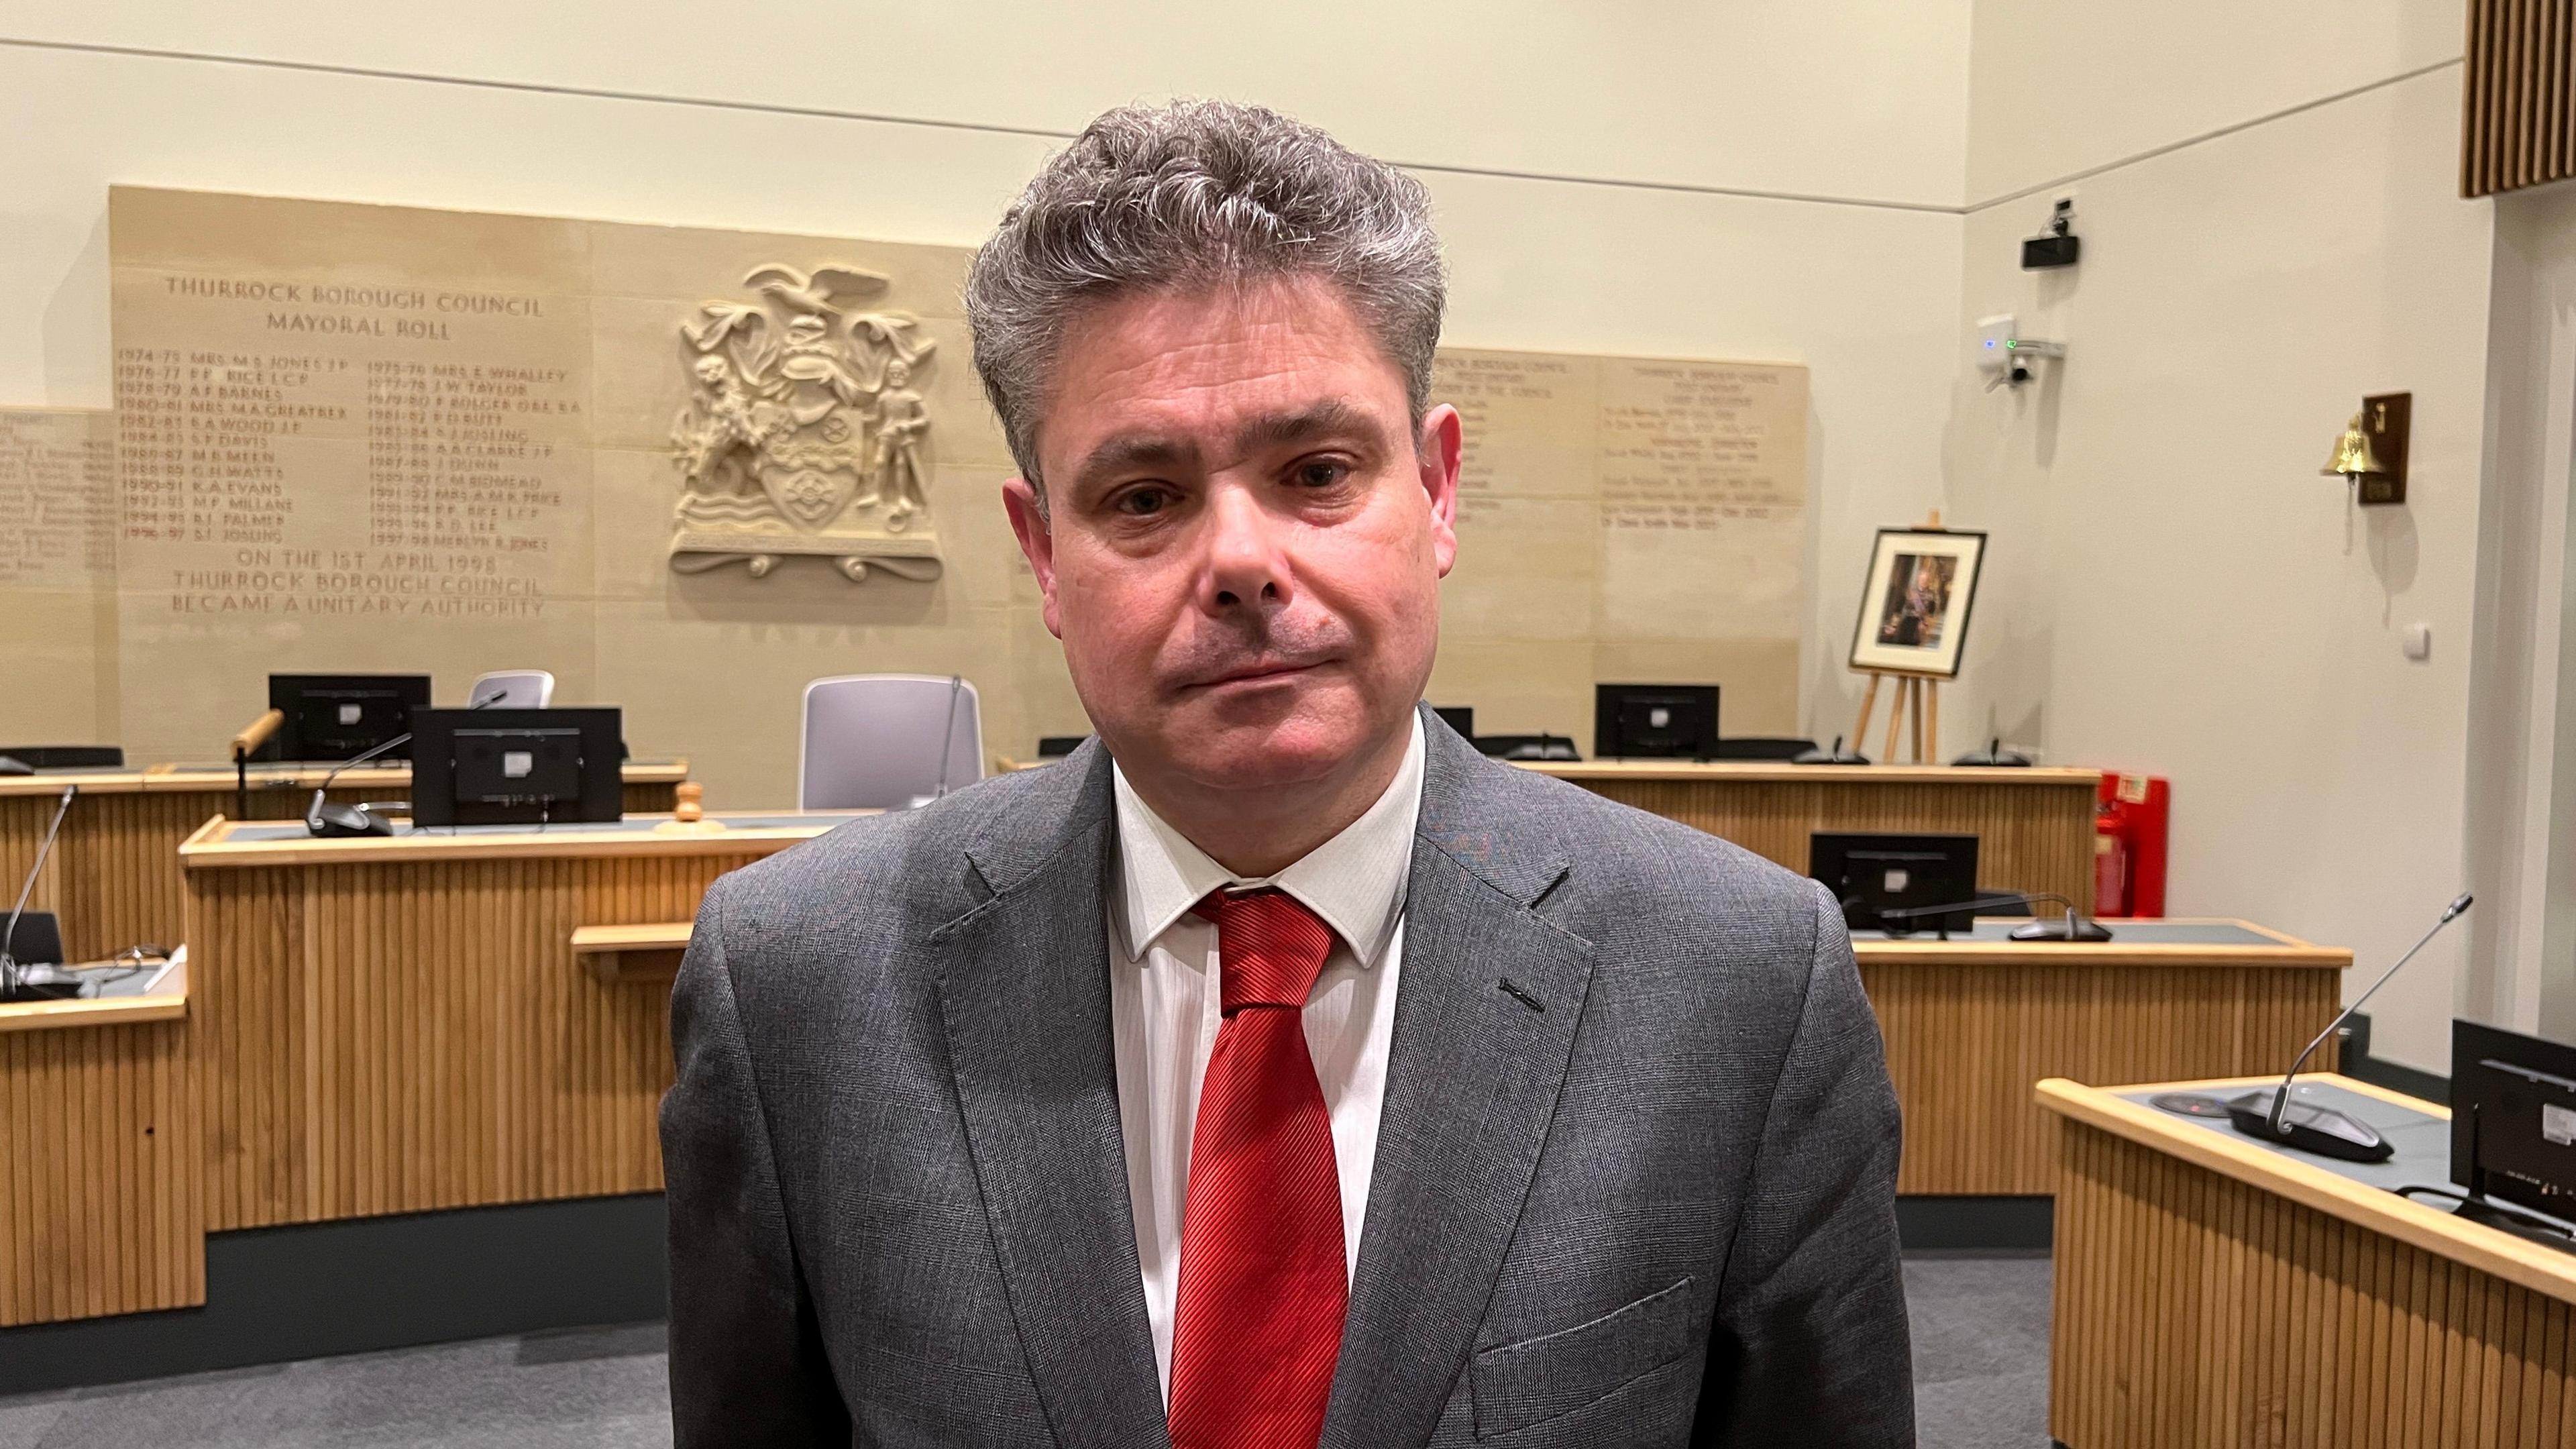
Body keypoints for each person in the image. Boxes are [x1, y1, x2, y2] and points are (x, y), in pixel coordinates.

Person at [661, 99, 1914, 1448]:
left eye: (1317, 471)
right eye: (1144, 496)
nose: (1242, 561)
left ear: (1436, 493)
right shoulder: (797, 984)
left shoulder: (1741, 980)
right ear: (1041, 554)